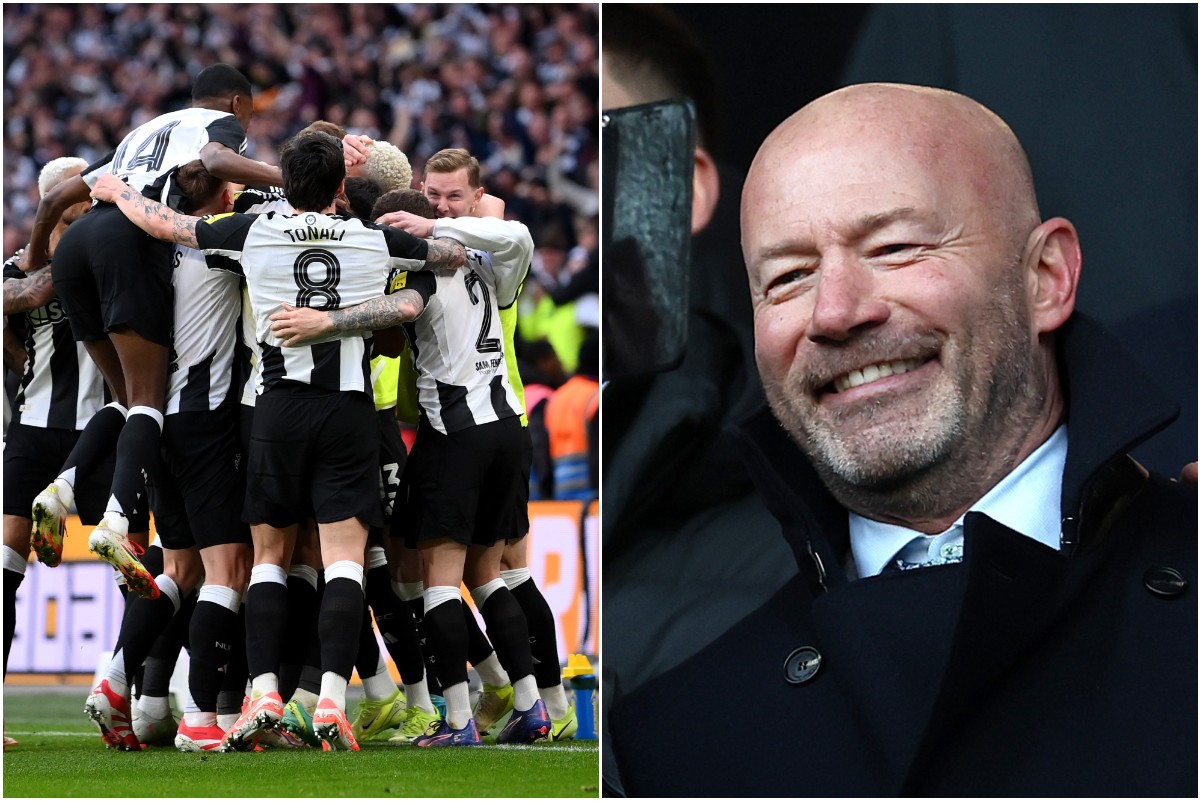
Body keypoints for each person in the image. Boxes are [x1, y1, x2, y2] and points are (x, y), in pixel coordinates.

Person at [607, 83, 1197, 796]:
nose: (835, 311)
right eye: (788, 277)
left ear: (1045, 277)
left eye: (893, 246)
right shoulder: (671, 742)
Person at [89, 129, 467, 753]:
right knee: (343, 560)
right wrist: (407, 265)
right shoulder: (373, 238)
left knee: (268, 557)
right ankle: (330, 705)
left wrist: (117, 189)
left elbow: (169, 228)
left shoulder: (252, 231)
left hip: (275, 412)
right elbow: (448, 259)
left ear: (282, 184)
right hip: (348, 413)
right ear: (341, 188)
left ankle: (263, 691)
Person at [270, 177, 551, 747]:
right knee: (491, 576)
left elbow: (398, 328)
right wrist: (445, 223)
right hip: (508, 429)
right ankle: (532, 704)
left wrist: (330, 319)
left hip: (455, 436)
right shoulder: (489, 267)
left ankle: (454, 720)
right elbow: (514, 233)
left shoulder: (416, 271)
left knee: (436, 581)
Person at [26, 63, 282, 600]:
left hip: (76, 245)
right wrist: (290, 179)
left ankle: (62, 487)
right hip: (126, 240)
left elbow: (53, 201)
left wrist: (34, 255)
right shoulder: (218, 127)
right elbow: (215, 160)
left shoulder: (142, 132)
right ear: (237, 104)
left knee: (120, 399)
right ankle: (115, 522)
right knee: (147, 399)